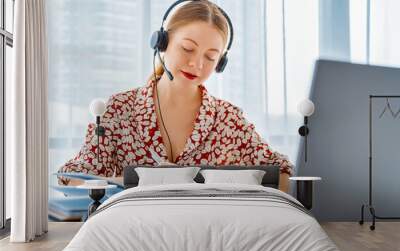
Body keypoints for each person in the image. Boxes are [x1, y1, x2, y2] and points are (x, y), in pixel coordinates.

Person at [58, 0, 294, 192]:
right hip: (135, 233)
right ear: (162, 42)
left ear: (220, 63)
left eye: (211, 57)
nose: (197, 64)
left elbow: (282, 171)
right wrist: (136, 184)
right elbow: (72, 178)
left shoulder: (228, 118)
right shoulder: (119, 109)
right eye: (188, 49)